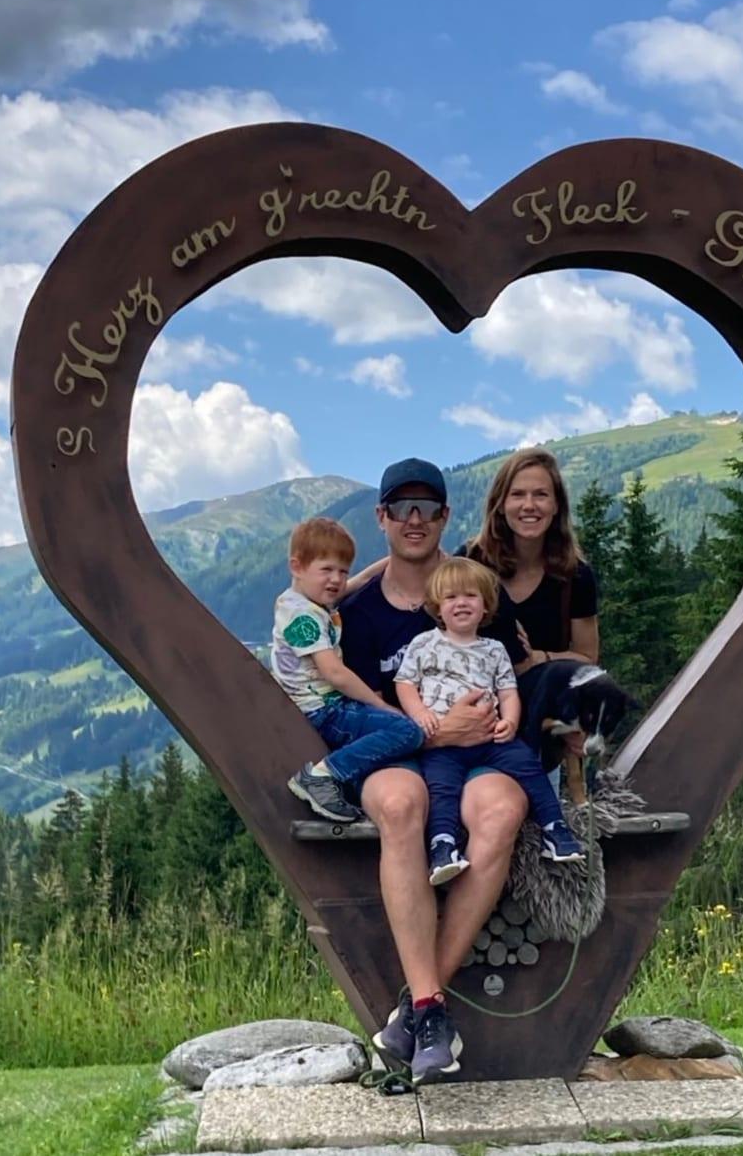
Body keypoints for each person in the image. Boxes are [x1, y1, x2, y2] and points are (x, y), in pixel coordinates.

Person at [338, 458, 532, 1085]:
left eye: (427, 508)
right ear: (382, 518)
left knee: (502, 811)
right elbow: (346, 702)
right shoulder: (357, 612)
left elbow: (514, 676)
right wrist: (433, 731)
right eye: (402, 508)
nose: (414, 520)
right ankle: (428, 1010)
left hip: (476, 754)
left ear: (446, 516)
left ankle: (421, 1008)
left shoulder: (474, 592)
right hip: (393, 756)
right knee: (400, 806)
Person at [395, 557, 584, 886]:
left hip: (491, 738)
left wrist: (509, 721)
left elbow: (508, 691)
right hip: (444, 740)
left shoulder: (494, 649)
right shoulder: (424, 644)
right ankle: (443, 845)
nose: (461, 603)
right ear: (438, 607)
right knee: (441, 787)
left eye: (470, 596)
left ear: (485, 606)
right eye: (451, 597)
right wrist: (420, 714)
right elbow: (405, 683)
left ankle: (555, 829)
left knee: (529, 766)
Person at [272, 517, 425, 823]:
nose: (337, 580)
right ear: (297, 567)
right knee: (407, 731)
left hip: (324, 705)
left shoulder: (302, 598)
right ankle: (323, 776)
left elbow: (361, 580)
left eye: (342, 571)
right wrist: (380, 704)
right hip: (323, 710)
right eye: (327, 570)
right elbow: (335, 673)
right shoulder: (303, 616)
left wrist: (397, 561)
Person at [460, 447, 599, 667]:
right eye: (517, 494)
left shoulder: (575, 575)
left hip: (545, 686)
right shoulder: (470, 561)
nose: (529, 506)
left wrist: (537, 658)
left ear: (556, 505)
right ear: (500, 505)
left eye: (541, 495)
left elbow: (588, 657)